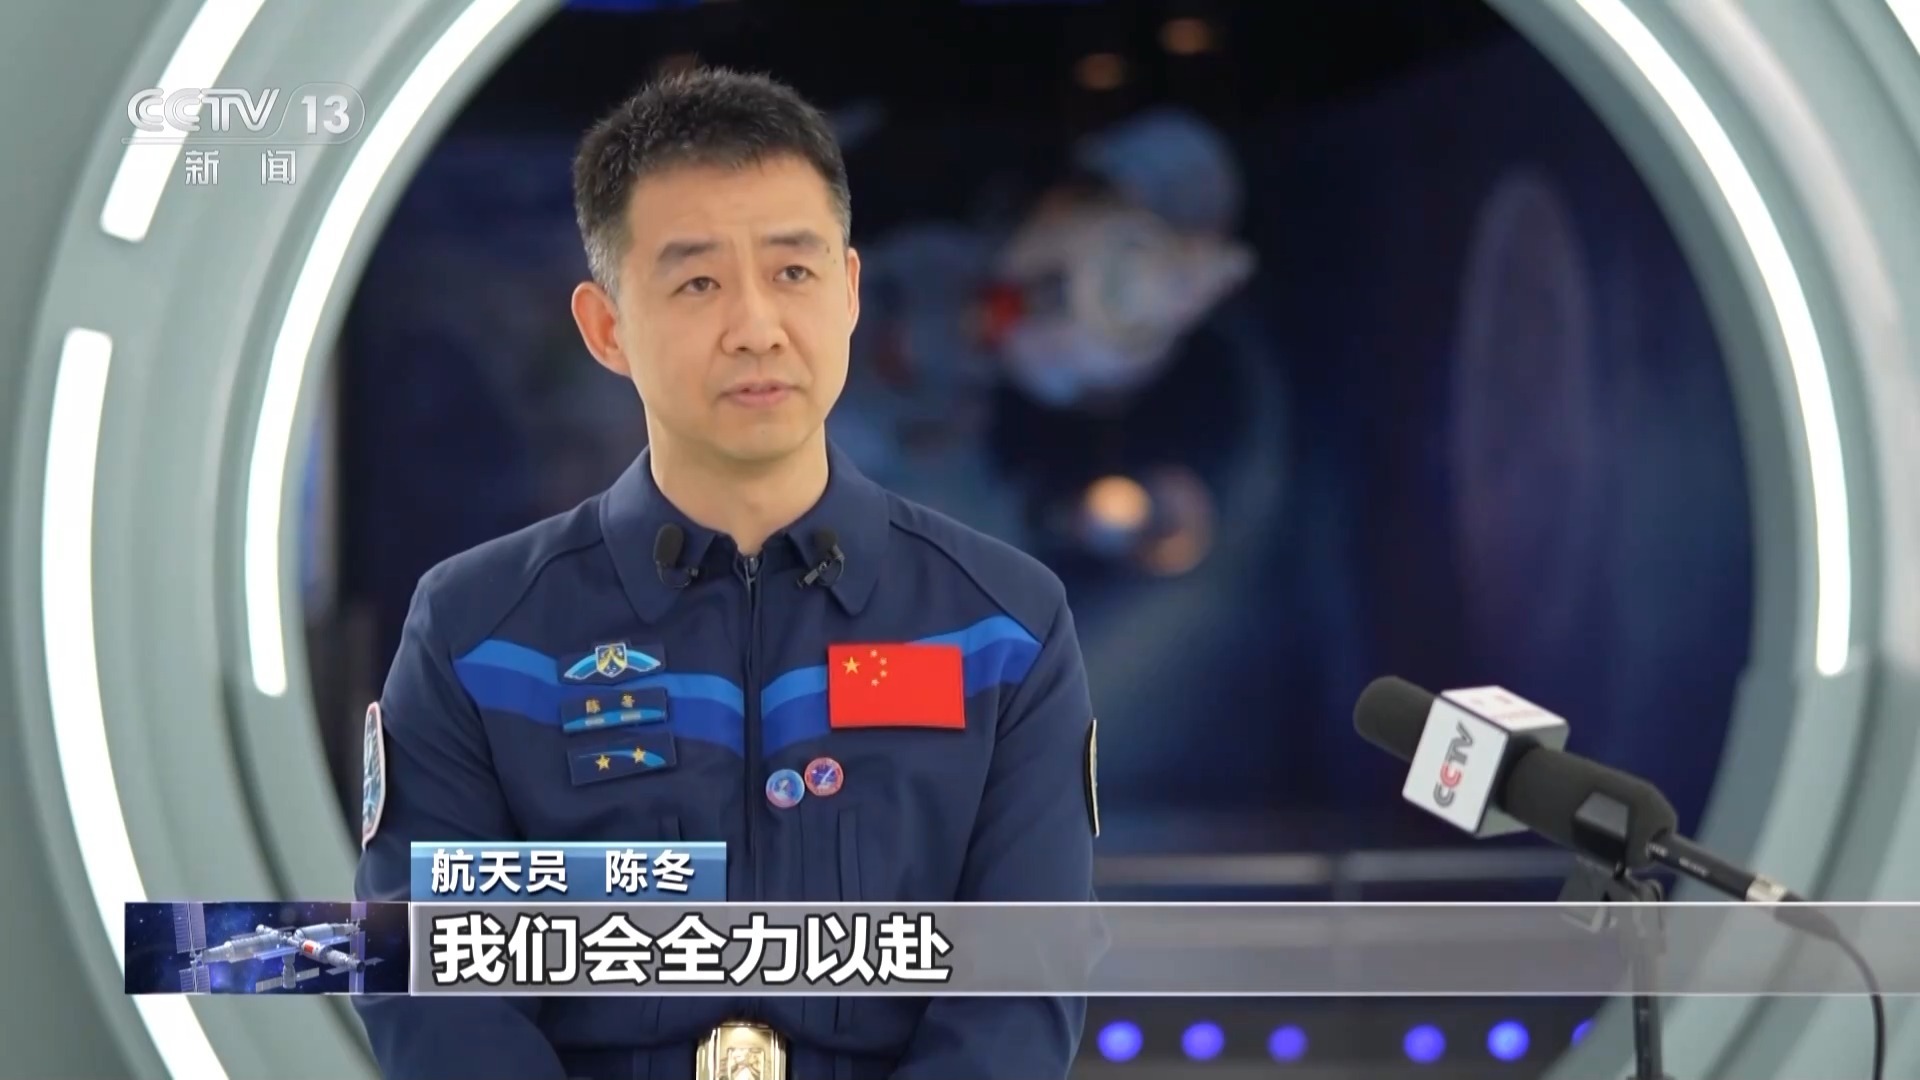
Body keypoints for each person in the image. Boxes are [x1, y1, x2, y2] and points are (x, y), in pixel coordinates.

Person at [353, 67, 1100, 1079]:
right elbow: (435, 987)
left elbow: (1021, 989)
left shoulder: (1003, 628)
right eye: (697, 282)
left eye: (792, 272)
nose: (756, 326)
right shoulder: (478, 634)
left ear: (849, 291)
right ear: (606, 326)